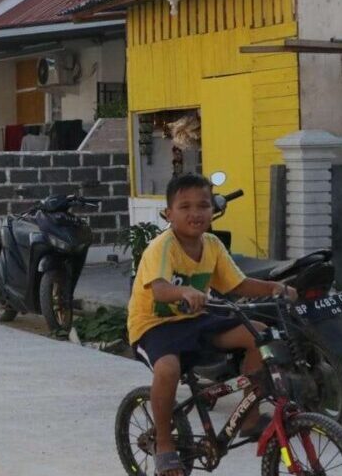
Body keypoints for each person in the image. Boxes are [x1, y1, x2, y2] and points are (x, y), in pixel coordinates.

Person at [127, 173, 296, 476]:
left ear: (213, 210)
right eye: (185, 207)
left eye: (203, 205)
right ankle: (164, 444)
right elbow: (161, 289)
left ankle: (249, 415)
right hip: (154, 325)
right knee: (167, 368)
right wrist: (184, 291)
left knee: (258, 333)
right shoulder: (162, 247)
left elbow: (238, 285)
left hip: (196, 319)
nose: (195, 213)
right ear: (169, 214)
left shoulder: (213, 245)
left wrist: (274, 289)